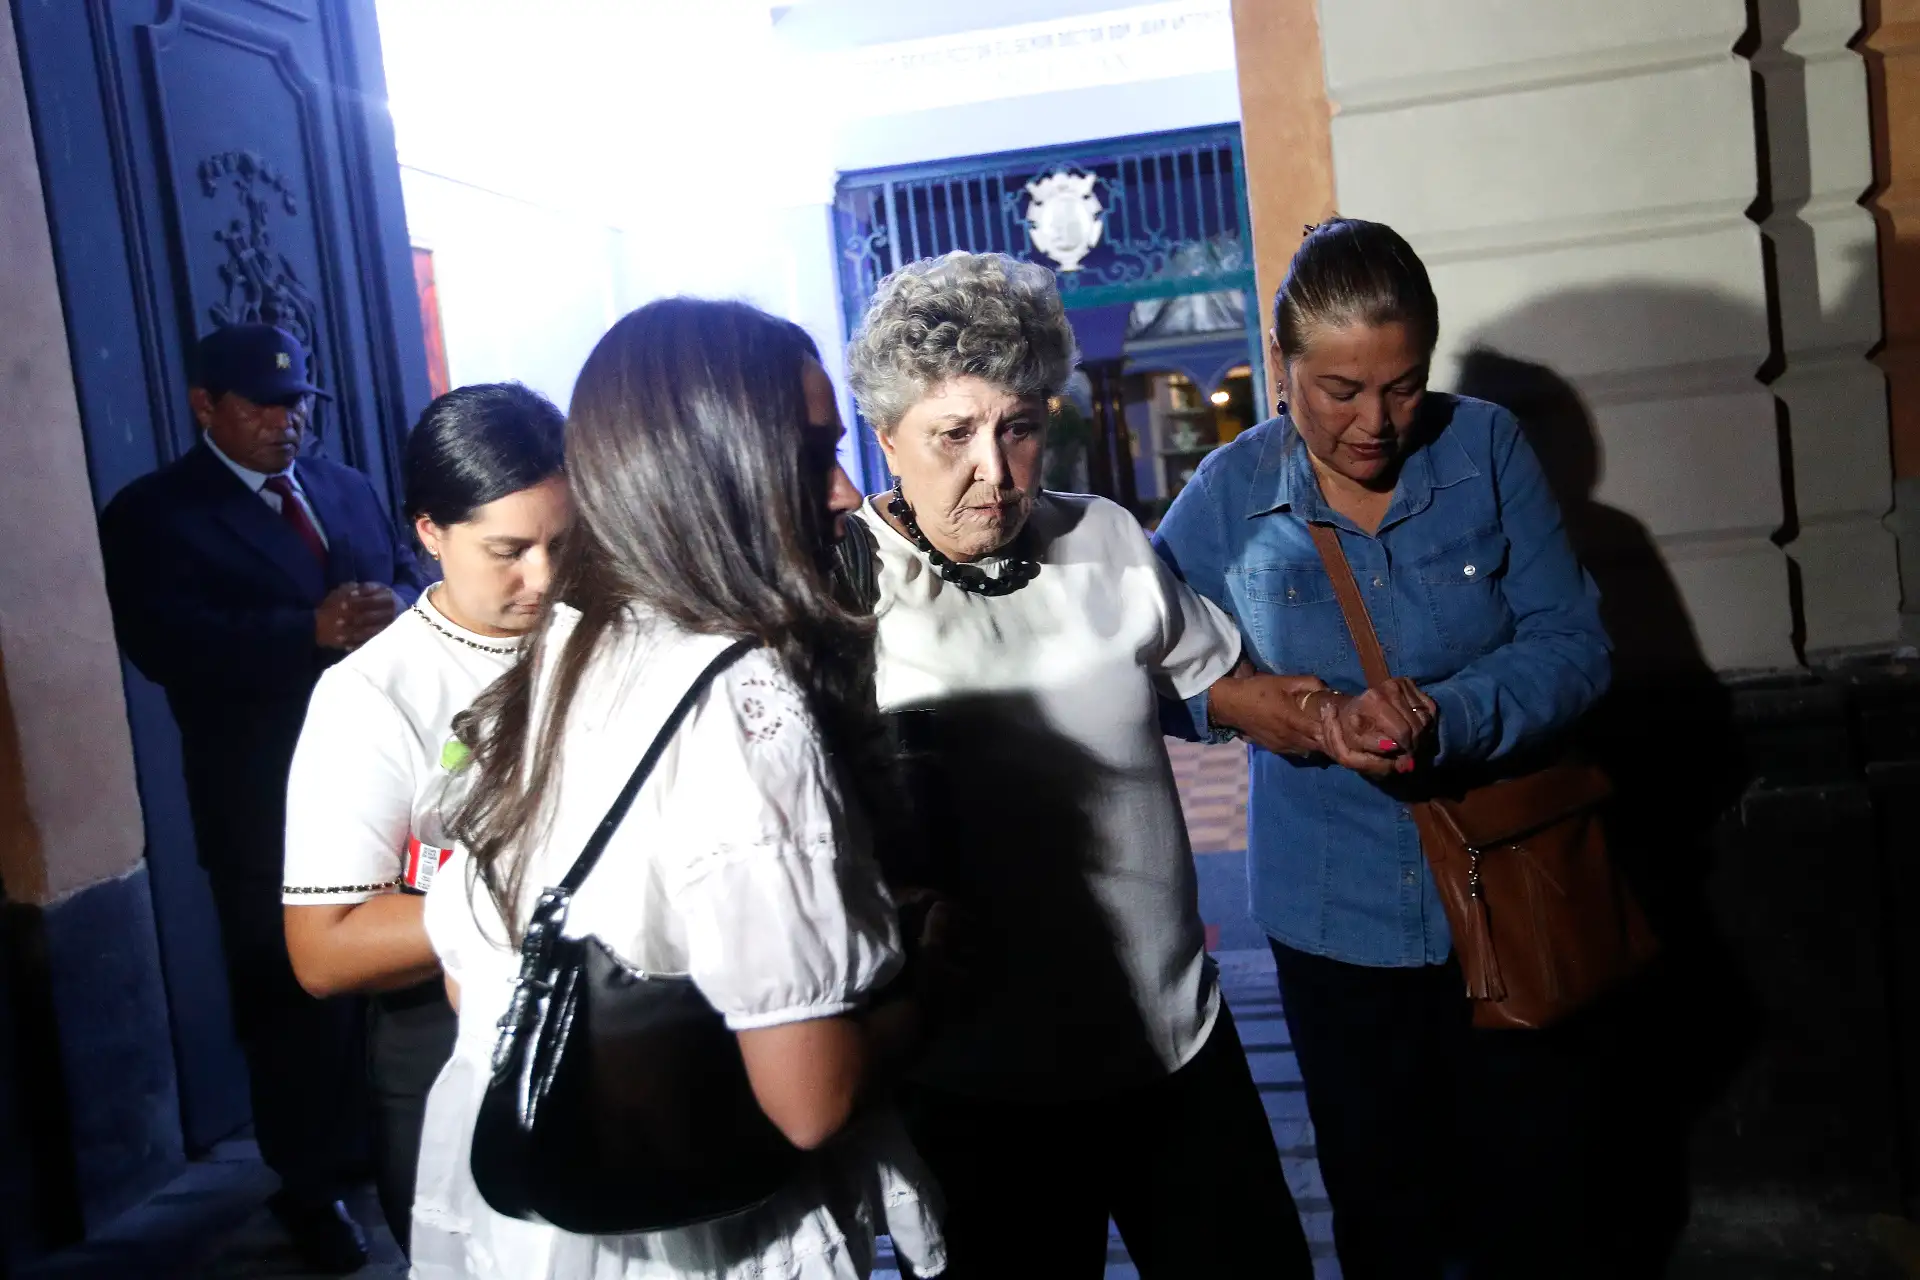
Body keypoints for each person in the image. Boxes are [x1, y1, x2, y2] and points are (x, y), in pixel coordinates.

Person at [412, 297, 944, 1280]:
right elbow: (809, 1098)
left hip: (537, 1232)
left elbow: (470, 971)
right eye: (812, 452)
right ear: (716, 474)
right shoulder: (737, 701)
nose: (841, 493)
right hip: (708, 1237)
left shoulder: (560, 657)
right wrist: (932, 967)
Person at [1152, 218, 1614, 1278]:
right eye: (1339, 390)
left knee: (1539, 1198)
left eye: (1403, 387)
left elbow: (1576, 644)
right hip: (1333, 920)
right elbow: (1153, 676)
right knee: (1385, 1210)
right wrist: (1277, 712)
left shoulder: (1486, 446)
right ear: (1283, 367)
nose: (1376, 421)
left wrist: (1447, 713)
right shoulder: (1227, 497)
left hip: (1511, 894)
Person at [838, 250, 1312, 1279]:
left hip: (1174, 1048)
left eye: (1016, 426)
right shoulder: (842, 595)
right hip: (977, 1088)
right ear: (884, 438)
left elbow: (1220, 679)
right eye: (951, 434)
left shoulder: (1102, 537)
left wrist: (1334, 716)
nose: (994, 471)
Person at [97, 322, 430, 1271]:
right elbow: (171, 644)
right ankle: (311, 1182)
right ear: (206, 406)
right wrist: (306, 630)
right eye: (262, 406)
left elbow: (407, 577)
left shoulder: (345, 486)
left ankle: (387, 1152)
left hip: (388, 782)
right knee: (292, 999)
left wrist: (395, 608)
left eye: (298, 406)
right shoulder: (155, 514)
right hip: (263, 800)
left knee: (392, 978)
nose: (287, 424)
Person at [280, 383, 568, 1254]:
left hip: (627, 1029)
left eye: (564, 541)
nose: (544, 578)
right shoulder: (373, 694)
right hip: (445, 1038)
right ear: (430, 533)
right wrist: (533, 896)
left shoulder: (612, 633)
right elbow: (324, 949)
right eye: (508, 551)